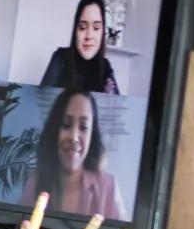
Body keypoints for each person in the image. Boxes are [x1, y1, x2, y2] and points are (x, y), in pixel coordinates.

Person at [25, 90, 131, 220]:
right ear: (54, 131)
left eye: (84, 127)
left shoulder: (108, 188)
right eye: (66, 124)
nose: (74, 137)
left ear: (92, 136)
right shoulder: (35, 180)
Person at [40, 0, 121, 94]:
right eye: (82, 27)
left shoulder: (105, 67)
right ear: (75, 31)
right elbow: (40, 100)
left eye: (96, 28)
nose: (89, 36)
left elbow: (116, 105)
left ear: (102, 32)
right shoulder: (60, 59)